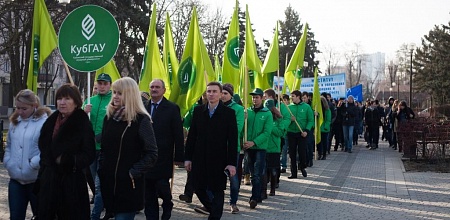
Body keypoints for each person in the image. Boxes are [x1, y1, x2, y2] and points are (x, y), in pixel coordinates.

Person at [98, 77, 158, 220]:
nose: (115, 97)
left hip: (129, 186)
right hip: (109, 183)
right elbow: (104, 148)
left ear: (129, 94)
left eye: (119, 93)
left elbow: (152, 153)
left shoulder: (142, 120)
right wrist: (102, 169)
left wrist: (132, 173)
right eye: (114, 92)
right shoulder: (109, 117)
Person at [36, 84, 96, 219]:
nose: (62, 102)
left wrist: (67, 160)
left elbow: (89, 154)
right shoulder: (51, 121)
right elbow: (44, 149)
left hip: (71, 183)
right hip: (49, 181)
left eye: (67, 99)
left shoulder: (82, 123)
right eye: (59, 99)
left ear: (76, 102)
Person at [184, 82, 237, 219]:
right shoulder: (198, 111)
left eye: (214, 91)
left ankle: (214, 216)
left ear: (220, 94)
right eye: (209, 91)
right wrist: (188, 157)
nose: (211, 94)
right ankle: (212, 208)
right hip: (199, 158)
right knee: (198, 187)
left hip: (219, 159)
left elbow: (232, 140)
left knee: (218, 190)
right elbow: (192, 136)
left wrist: (232, 163)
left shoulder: (229, 113)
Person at [3, 90, 51, 220]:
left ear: (34, 106)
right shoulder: (14, 122)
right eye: (17, 108)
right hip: (16, 179)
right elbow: (9, 146)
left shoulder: (44, 123)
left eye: (24, 108)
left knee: (40, 215)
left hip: (36, 180)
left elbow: (47, 149)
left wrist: (35, 163)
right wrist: (8, 161)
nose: (19, 111)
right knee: (16, 216)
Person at [144, 79, 184, 220]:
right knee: (148, 191)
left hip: (163, 156)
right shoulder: (143, 107)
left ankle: (167, 204)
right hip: (146, 156)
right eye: (152, 87)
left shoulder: (172, 108)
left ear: (163, 90)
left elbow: (178, 134)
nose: (154, 89)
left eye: (157, 87)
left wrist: (179, 156)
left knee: (162, 186)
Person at [82, 73, 113, 220]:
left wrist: (101, 137)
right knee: (95, 182)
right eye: (99, 83)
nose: (102, 86)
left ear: (110, 85)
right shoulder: (89, 100)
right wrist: (84, 112)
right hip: (90, 149)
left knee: (101, 183)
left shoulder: (114, 100)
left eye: (105, 83)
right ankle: (108, 207)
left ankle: (95, 215)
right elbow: (79, 122)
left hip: (106, 149)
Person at [244, 88, 273, 208]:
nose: (254, 99)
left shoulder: (267, 114)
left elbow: (267, 132)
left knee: (257, 174)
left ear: (262, 98)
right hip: (248, 148)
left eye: (257, 97)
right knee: (252, 174)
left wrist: (254, 142)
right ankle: (257, 195)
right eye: (253, 97)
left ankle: (254, 198)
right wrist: (244, 142)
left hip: (260, 148)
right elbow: (242, 128)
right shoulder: (247, 112)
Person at [179, 92, 207, 204]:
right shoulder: (195, 107)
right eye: (204, 92)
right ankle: (188, 194)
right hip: (195, 142)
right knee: (191, 170)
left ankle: (207, 199)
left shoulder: (218, 108)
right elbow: (187, 122)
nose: (206, 94)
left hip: (209, 145)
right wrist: (181, 119)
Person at [221, 83, 244, 214]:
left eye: (226, 93)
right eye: (222, 93)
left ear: (231, 95)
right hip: (217, 148)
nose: (223, 96)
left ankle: (233, 202)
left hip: (232, 147)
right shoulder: (215, 107)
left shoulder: (238, 109)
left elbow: (237, 128)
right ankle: (212, 201)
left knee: (233, 177)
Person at [287, 91, 314, 178]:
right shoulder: (288, 107)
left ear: (298, 97)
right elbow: (284, 120)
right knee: (292, 154)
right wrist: (290, 120)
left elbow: (311, 120)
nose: (291, 98)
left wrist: (306, 130)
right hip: (291, 133)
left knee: (302, 152)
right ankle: (293, 173)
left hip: (302, 133)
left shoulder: (306, 107)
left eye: (293, 96)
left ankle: (302, 167)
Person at [262, 99, 284, 196]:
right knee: (264, 170)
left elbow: (280, 132)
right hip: (263, 147)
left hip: (274, 148)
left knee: (273, 170)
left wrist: (270, 126)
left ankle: (273, 189)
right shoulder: (262, 117)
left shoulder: (279, 119)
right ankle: (264, 191)